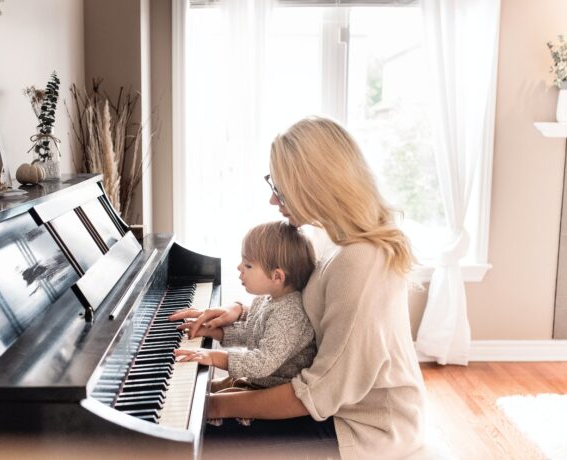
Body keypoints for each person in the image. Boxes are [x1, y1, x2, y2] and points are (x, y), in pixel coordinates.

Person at [170, 116, 427, 460]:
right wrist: (237, 313)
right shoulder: (328, 237)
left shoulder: (360, 260)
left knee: (190, 441)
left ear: (314, 185)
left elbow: (316, 394)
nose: (274, 202)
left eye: (280, 188)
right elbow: (300, 309)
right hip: (331, 406)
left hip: (361, 427)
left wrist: (208, 406)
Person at [173, 221, 317, 421]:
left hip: (271, 393)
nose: (239, 268)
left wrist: (215, 357)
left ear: (277, 276)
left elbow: (263, 363)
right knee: (189, 391)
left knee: (197, 411)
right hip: (260, 381)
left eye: (248, 265)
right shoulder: (268, 299)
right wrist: (215, 332)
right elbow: (252, 332)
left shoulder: (290, 314)